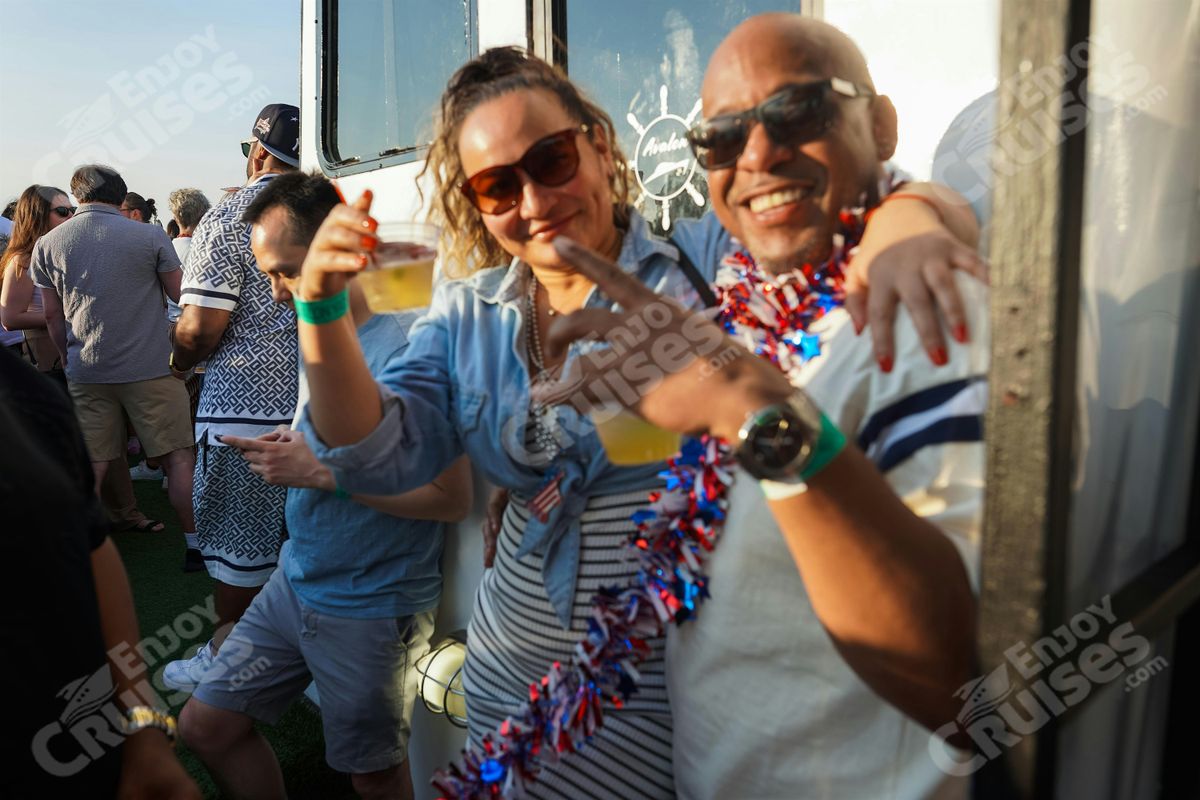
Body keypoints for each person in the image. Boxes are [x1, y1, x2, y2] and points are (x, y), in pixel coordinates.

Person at [293, 47, 982, 797]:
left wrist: (909, 222)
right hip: (505, 675)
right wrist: (320, 310)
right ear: (477, 206)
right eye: (496, 185)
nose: (534, 200)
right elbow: (376, 453)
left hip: (648, 689)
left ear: (598, 145)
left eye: (552, 159)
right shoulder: (470, 313)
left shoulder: (702, 265)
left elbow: (851, 210)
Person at [538, 14, 989, 798]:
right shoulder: (750, 311)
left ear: (881, 126)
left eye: (797, 112)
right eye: (720, 138)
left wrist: (756, 414)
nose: (756, 155)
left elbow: (968, 688)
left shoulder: (919, 306)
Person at [178, 170, 472, 800]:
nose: (279, 293)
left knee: (374, 776)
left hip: (370, 603)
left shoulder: (408, 347)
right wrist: (301, 444)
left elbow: (451, 498)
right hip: (298, 578)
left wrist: (321, 472)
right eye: (270, 275)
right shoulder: (325, 329)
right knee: (206, 727)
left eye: (289, 272)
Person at [1, 329, 201, 800]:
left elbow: (89, 542)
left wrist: (142, 726)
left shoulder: (22, 391)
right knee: (178, 458)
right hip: (142, 366)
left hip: (76, 739)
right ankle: (195, 543)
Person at [165, 103, 302, 685]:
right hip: (320, 409)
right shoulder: (328, 207)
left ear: (258, 152)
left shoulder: (231, 214)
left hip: (243, 417)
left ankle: (227, 663)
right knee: (304, 548)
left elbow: (200, 328)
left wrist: (178, 362)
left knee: (240, 558)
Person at [29, 164, 198, 552]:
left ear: (77, 195)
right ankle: (194, 544)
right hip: (152, 367)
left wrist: (66, 357)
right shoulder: (149, 234)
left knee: (93, 462)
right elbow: (182, 296)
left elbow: (52, 315)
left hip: (86, 368)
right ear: (121, 195)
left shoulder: (48, 243)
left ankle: (77, 548)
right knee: (177, 458)